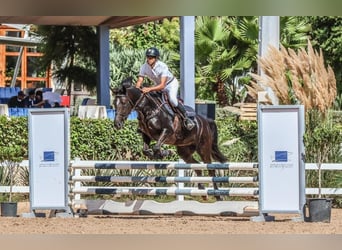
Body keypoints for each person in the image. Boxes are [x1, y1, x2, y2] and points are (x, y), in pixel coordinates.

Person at [135, 47, 195, 130]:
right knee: (148, 99)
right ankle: (143, 123)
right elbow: (140, 80)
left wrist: (149, 89)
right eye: (148, 57)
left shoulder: (163, 66)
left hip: (170, 84)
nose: (149, 59)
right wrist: (136, 89)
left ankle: (186, 118)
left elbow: (163, 85)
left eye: (151, 58)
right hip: (157, 85)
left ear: (156, 58)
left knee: (172, 99)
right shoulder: (144, 67)